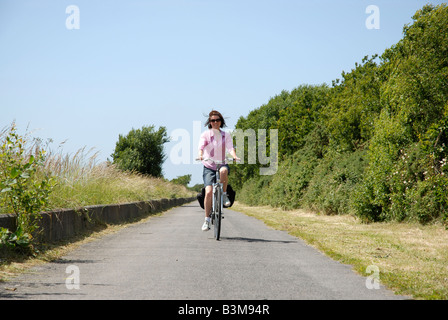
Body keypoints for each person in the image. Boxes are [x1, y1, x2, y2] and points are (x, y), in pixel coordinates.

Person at [197, 110, 239, 231]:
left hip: (222, 163)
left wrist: (234, 156)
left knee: (223, 172)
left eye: (217, 120)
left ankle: (224, 195)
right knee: (208, 192)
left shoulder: (226, 135)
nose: (215, 122)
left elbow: (230, 148)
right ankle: (207, 220)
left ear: (221, 121)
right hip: (209, 165)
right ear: (209, 122)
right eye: (212, 120)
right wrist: (200, 155)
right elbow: (201, 147)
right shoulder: (205, 135)